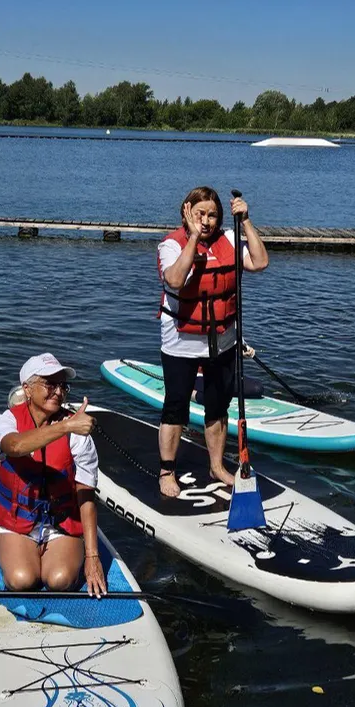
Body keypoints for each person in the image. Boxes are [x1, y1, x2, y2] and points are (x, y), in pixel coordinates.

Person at [156, 186, 269, 497]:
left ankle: (217, 466)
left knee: (218, 408)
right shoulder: (170, 245)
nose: (206, 221)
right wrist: (192, 238)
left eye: (212, 215)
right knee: (175, 408)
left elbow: (259, 263)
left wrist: (245, 221)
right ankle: (167, 470)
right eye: (199, 214)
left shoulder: (230, 239)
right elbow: (176, 280)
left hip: (223, 341)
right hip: (181, 342)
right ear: (187, 213)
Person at [0, 353, 107, 598]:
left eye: (63, 386)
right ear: (27, 389)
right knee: (21, 580)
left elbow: (86, 493)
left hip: (61, 523)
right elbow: (15, 446)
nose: (58, 392)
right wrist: (65, 426)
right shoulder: (7, 419)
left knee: (60, 581)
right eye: (49, 384)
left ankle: (58, 550)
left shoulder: (77, 433)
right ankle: (11, 548)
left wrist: (92, 556)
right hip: (16, 521)